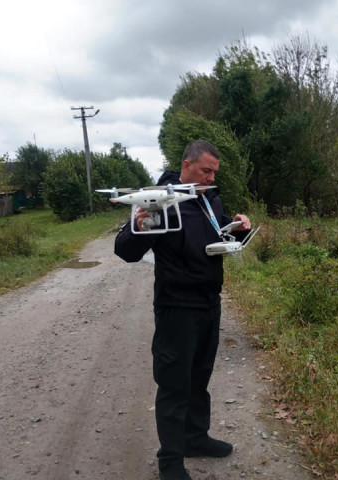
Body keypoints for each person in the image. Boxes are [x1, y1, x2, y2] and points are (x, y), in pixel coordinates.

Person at [114, 140, 251, 480]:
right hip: (177, 308)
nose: (211, 178)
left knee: (199, 378)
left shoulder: (209, 198)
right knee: (174, 385)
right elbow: (126, 251)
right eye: (206, 171)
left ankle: (195, 438)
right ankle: (171, 462)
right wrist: (138, 226)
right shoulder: (159, 200)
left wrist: (239, 229)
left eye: (214, 172)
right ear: (186, 165)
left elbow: (222, 235)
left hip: (209, 303)